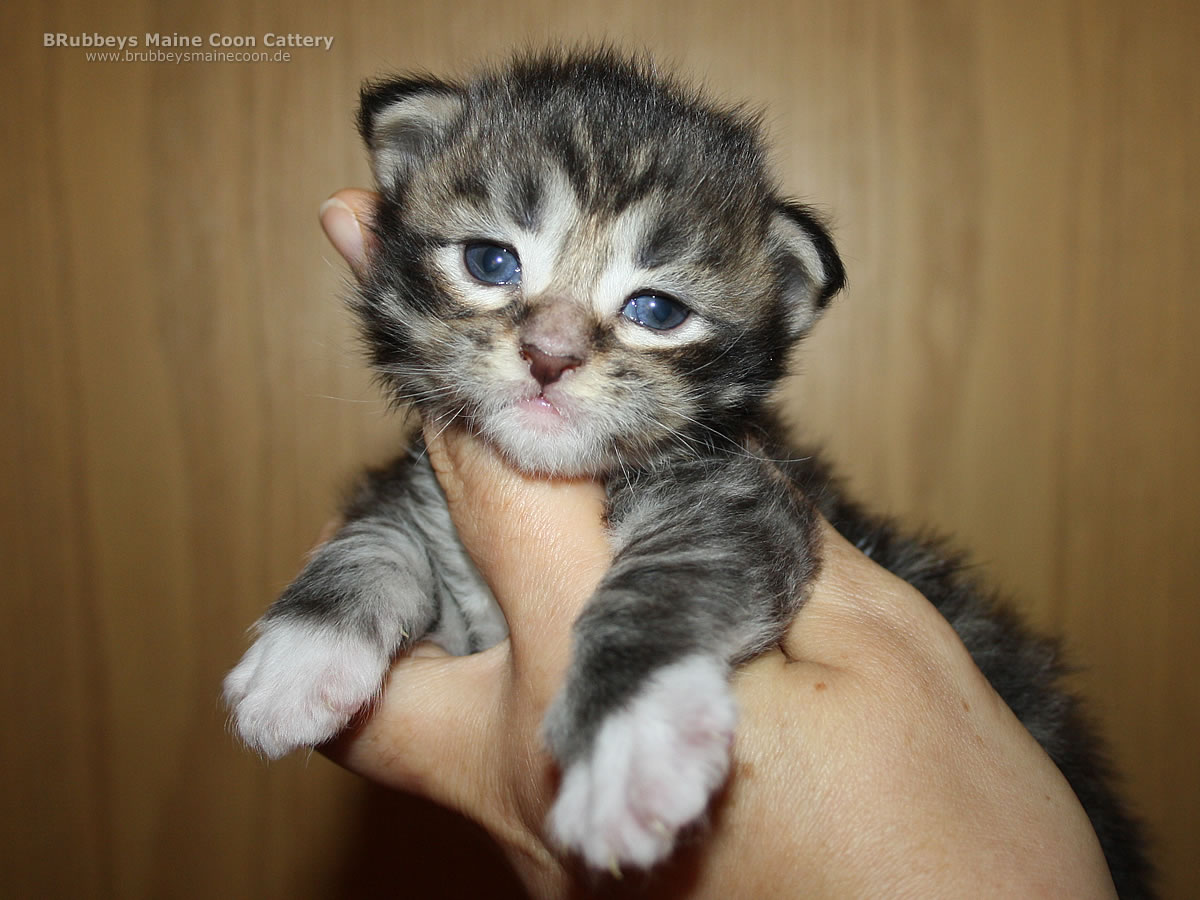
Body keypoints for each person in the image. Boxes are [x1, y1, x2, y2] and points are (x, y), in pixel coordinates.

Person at [316, 190, 1118, 899]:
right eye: (496, 260)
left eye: (656, 309)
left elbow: (740, 547)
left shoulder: (720, 494)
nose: (553, 347)